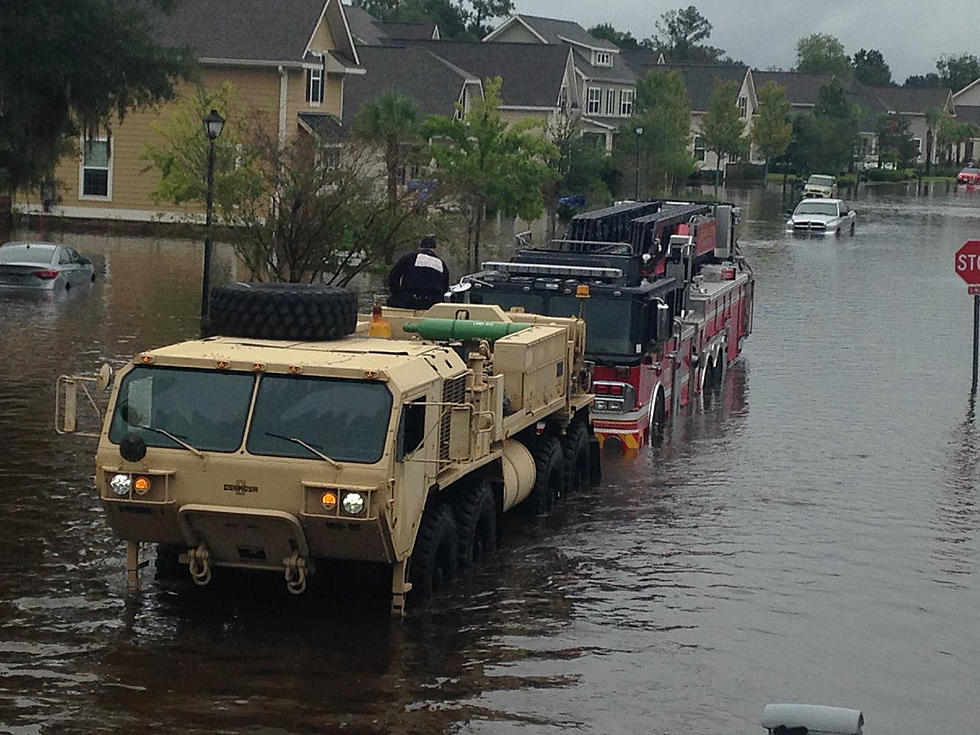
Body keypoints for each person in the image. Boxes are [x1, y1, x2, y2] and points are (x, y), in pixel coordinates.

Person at [387, 236, 450, 310]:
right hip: (433, 304)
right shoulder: (442, 264)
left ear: (420, 248)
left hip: (409, 300)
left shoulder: (409, 258)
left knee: (391, 300)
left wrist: (396, 292)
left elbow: (394, 276)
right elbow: (445, 286)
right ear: (434, 249)